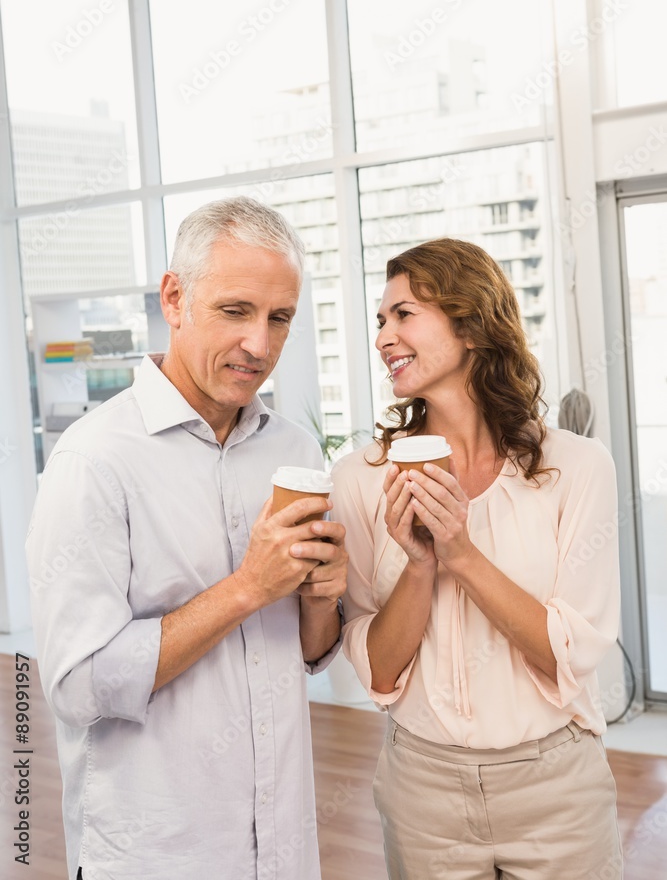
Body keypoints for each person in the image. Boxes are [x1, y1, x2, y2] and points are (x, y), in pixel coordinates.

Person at [26, 197, 348, 880]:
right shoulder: (94, 462)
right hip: (161, 854)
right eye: (235, 311)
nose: (259, 345)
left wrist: (322, 597)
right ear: (174, 298)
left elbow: (311, 652)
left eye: (279, 317)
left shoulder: (290, 450)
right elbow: (78, 688)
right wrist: (246, 589)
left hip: (284, 848)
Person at [333, 238, 622, 879]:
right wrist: (420, 565)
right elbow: (379, 671)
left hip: (557, 788)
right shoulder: (358, 480)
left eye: (404, 314)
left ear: (470, 324)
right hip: (421, 791)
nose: (384, 336)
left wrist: (460, 553)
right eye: (380, 320)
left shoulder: (575, 468)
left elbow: (567, 653)